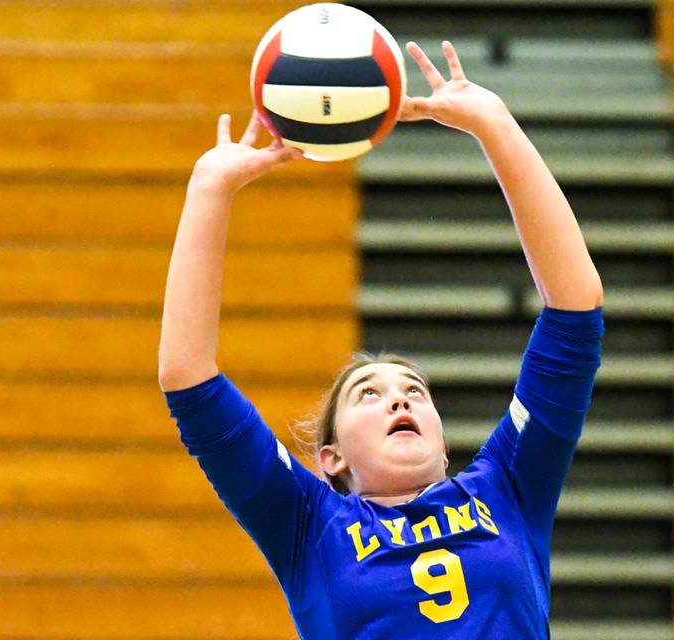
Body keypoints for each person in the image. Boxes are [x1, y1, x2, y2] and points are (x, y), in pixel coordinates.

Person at [158, 41, 603, 639]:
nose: (401, 400)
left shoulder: (507, 486)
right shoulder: (308, 523)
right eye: (369, 394)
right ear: (330, 459)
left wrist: (495, 125)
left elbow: (574, 315)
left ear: (445, 448)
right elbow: (188, 380)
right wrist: (210, 191)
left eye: (415, 391)